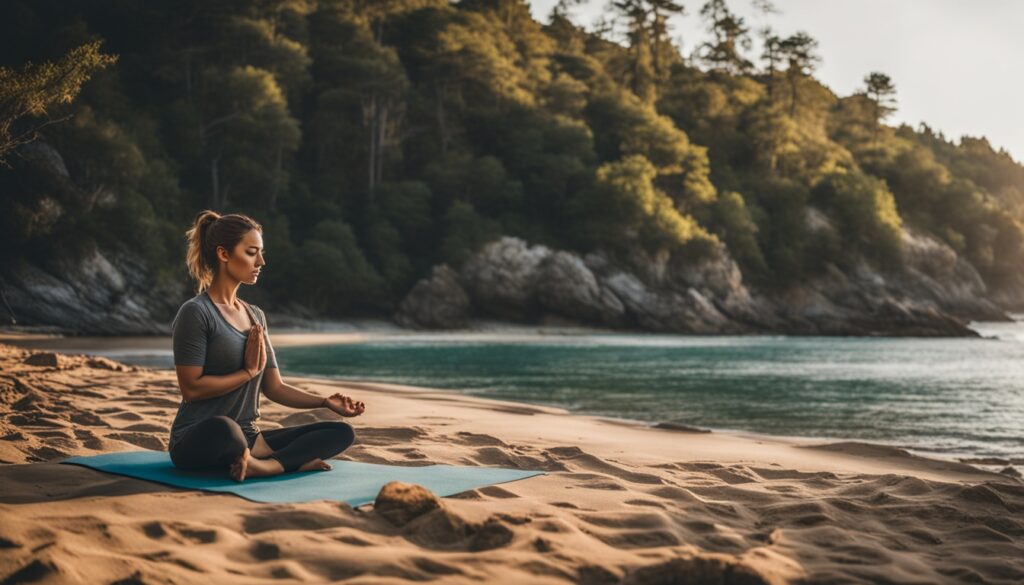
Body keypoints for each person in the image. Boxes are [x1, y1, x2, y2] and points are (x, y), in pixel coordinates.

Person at [168, 210, 365, 482]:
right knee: (226, 429)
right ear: (224, 254)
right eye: (251, 252)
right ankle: (277, 462)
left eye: (260, 252)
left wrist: (324, 402)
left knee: (341, 432)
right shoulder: (196, 313)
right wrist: (247, 373)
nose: (260, 261)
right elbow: (191, 388)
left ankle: (267, 465)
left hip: (250, 437)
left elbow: (275, 387)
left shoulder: (255, 316)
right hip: (199, 439)